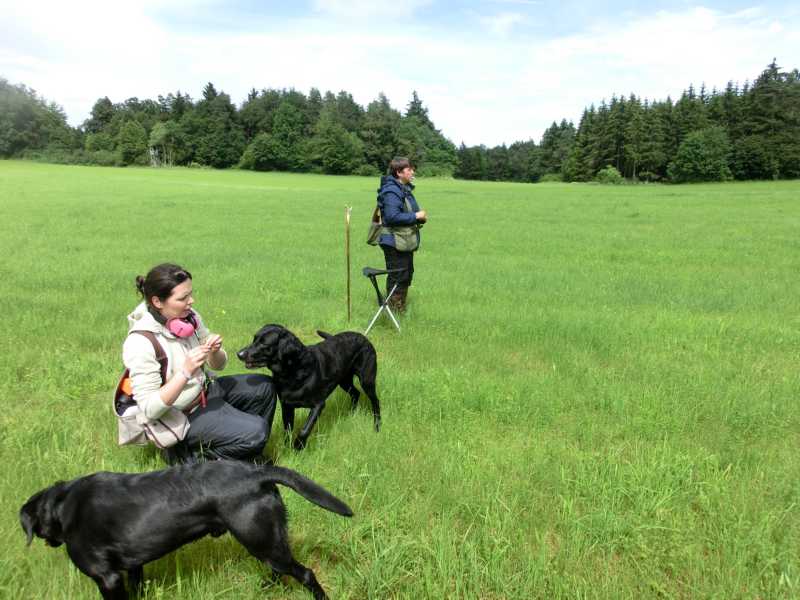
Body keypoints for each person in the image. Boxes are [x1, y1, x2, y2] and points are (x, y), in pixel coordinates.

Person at [122, 263, 277, 464]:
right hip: (180, 416)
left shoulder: (189, 317)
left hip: (205, 392)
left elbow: (218, 365)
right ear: (157, 302)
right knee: (257, 431)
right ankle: (190, 458)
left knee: (264, 387)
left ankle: (245, 451)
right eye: (183, 298)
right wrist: (185, 372)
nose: (191, 301)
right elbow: (150, 409)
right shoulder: (141, 342)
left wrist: (214, 352)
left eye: (190, 294)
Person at [376, 156, 428, 312]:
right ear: (399, 172)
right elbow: (392, 217)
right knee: (398, 276)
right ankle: (394, 311)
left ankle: (398, 309)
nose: (413, 172)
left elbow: (407, 211)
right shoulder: (391, 191)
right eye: (409, 169)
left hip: (403, 240)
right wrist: (416, 216)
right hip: (393, 241)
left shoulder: (403, 188)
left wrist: (420, 218)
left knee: (405, 274)